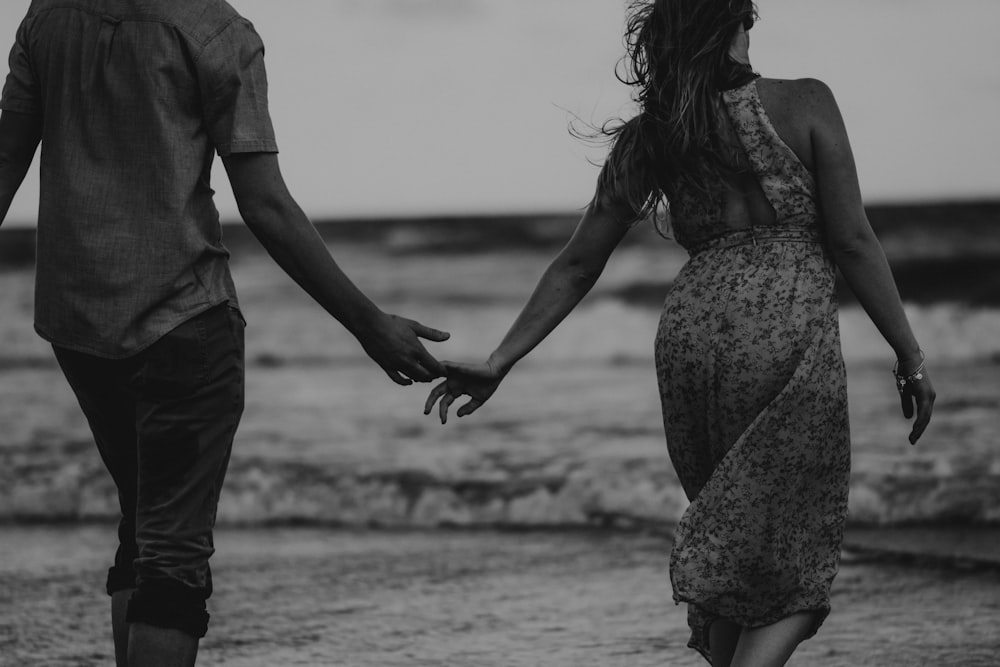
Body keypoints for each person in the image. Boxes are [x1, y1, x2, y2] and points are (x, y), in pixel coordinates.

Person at [424, 1, 936, 665]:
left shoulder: (655, 135)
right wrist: (911, 356)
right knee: (800, 579)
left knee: (730, 547)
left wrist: (501, 358)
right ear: (740, 19)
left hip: (693, 336)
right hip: (785, 328)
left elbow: (578, 261)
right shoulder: (807, 102)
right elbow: (853, 240)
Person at [0, 1, 449, 665]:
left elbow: (3, 165)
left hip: (79, 325)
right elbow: (264, 203)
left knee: (144, 527)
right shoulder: (217, 32)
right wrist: (369, 323)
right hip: (183, 323)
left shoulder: (49, 16)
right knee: (173, 556)